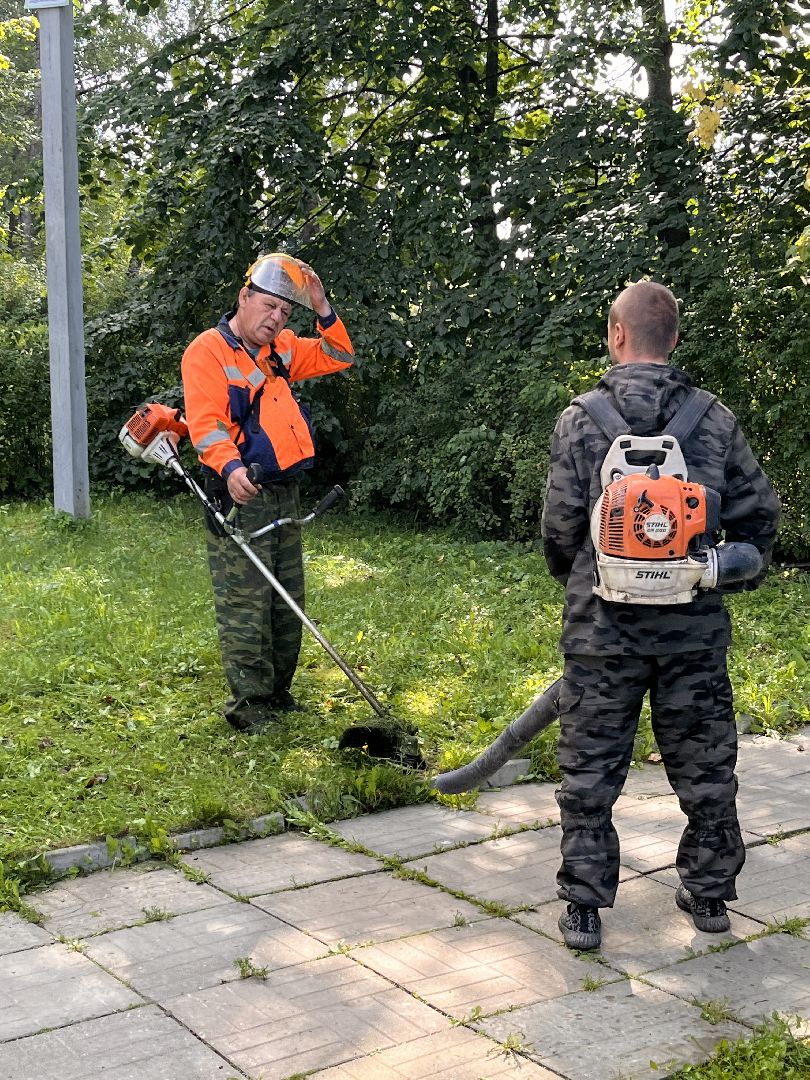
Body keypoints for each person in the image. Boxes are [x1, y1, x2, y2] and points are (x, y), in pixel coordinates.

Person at [541, 280, 780, 950]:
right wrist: (717, 572)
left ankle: (584, 907)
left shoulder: (580, 419)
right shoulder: (714, 419)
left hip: (602, 633)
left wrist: (586, 583)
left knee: (589, 772)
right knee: (706, 767)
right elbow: (760, 519)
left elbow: (561, 529)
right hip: (692, 632)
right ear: (673, 339)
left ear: (616, 335)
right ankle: (708, 895)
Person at [182, 253, 354, 733]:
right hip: (239, 493)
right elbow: (206, 424)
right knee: (247, 602)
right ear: (244, 297)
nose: (276, 317)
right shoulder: (209, 351)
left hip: (283, 489)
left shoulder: (282, 350)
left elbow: (340, 355)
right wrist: (230, 468)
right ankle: (249, 704)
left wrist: (321, 305)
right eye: (269, 306)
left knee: (286, 597)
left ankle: (278, 693)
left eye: (285, 310)